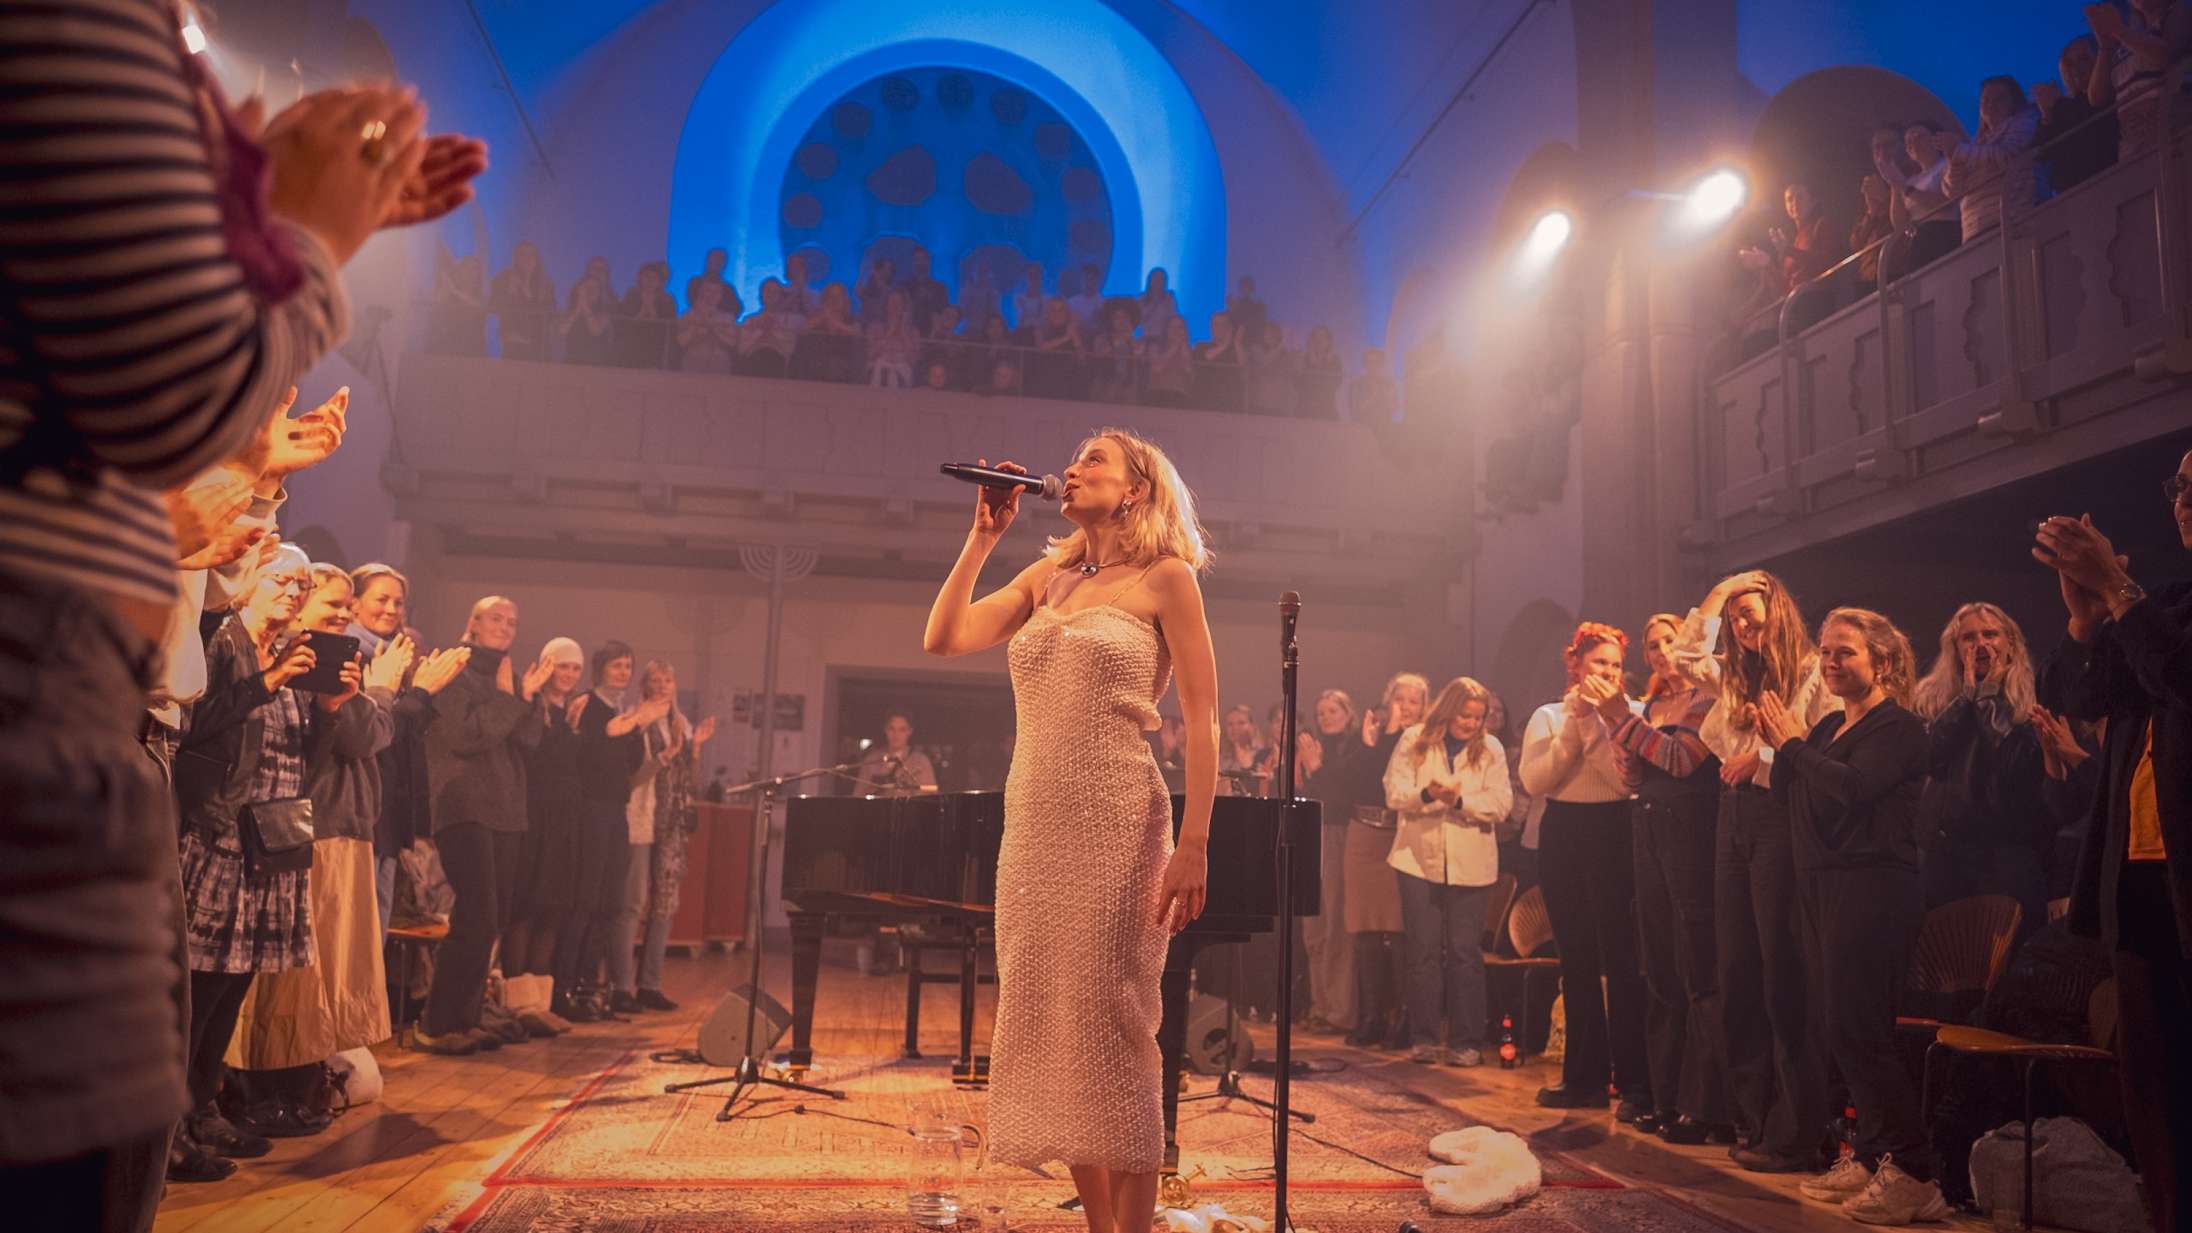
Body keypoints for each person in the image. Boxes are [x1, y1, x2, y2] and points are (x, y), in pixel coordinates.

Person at [922, 430, 1217, 1233]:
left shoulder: (1167, 578)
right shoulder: (1045, 574)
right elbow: (944, 637)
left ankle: (1135, 1226)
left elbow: (1204, 716)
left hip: (1120, 819)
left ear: (1136, 490)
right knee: (1052, 1025)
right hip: (1035, 823)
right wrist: (982, 537)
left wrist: (1193, 843)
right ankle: (1100, 1227)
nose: (1075, 466)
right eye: (1076, 457)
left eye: (1096, 458)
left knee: (1112, 1024)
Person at [2036, 449, 2192, 1233]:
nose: (2186, 498)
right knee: (2154, 1086)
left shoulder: (2155, 611)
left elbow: (2179, 674)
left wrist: (2120, 593)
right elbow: (2086, 693)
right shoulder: (2167, 600)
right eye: (2180, 486)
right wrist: (2085, 614)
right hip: (2141, 878)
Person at [1756, 609, 1945, 1224]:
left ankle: (1915, 1172)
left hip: (1872, 886)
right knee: (1837, 1029)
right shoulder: (1829, 726)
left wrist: (1790, 743)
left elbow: (1853, 790)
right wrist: (1787, 744)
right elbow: (1792, 792)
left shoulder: (1900, 728)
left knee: (1861, 1030)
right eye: (1826, 652)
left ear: (1882, 663)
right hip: (1820, 886)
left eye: (1845, 653)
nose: (1831, 663)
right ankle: (1870, 1153)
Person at [1674, 569, 1836, 1172]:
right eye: (1736, 617)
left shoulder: (1815, 672)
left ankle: (1797, 1129)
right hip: (1732, 816)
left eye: (1751, 613)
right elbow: (1688, 655)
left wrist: (1762, 762)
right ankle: (1754, 1119)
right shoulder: (1735, 673)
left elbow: (1822, 752)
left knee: (1781, 970)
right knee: (1735, 967)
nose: (1742, 625)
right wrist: (1718, 591)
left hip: (1779, 814)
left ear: (1779, 613)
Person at [172, 547, 324, 1176]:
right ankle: (170, 1126)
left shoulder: (294, 651)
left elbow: (308, 755)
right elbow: (192, 721)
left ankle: (203, 1111)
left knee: (233, 989)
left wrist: (333, 711)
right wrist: (268, 681)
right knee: (196, 991)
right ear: (250, 582)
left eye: (303, 585)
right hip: (219, 836)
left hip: (272, 843)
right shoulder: (223, 641)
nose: (293, 593)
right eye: (284, 580)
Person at [1606, 614, 1732, 1144]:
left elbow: (1681, 760)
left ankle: (1702, 1105)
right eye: (1653, 644)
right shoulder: (1654, 706)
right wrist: (1626, 740)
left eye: (1669, 641)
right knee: (1658, 967)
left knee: (1697, 966)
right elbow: (1633, 777)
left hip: (1691, 832)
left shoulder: (1709, 699)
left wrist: (1622, 721)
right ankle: (1663, 1097)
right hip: (1649, 828)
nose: (1660, 652)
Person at [1520, 623, 1650, 1117]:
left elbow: (1621, 785)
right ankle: (1583, 1079)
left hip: (1615, 829)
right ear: (1574, 664)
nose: (1608, 673)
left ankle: (1634, 1083)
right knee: (1575, 958)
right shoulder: (1549, 716)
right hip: (1565, 831)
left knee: (1620, 958)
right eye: (1599, 663)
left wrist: (1601, 724)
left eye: (1616, 666)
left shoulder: (1633, 714)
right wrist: (1576, 726)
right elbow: (1537, 779)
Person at [416, 597, 552, 1054]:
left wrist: (524, 697)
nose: (506, 626)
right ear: (471, 623)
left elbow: (531, 741)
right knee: (474, 917)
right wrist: (508, 696)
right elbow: (466, 735)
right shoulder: (454, 666)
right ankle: (436, 1024)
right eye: (496, 618)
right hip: (464, 805)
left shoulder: (504, 678)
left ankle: (466, 1018)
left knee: (490, 920)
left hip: (506, 809)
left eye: (513, 621)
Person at [1384, 677, 1512, 1065]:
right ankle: (1423, 1037)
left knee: (1463, 952)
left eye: (1477, 717)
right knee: (1422, 951)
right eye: (1464, 715)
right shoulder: (1414, 740)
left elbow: (1501, 803)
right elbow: (1394, 792)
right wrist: (1427, 795)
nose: (1470, 724)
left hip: (1470, 864)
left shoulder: (1491, 749)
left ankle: (1466, 1041)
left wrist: (1459, 801)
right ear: (1447, 709)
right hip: (1417, 859)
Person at [1910, 603, 2051, 929]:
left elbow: (2015, 768)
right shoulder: (1932, 698)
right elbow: (1928, 758)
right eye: (1969, 637)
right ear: (1955, 648)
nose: (1980, 644)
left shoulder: (2035, 696)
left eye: (1991, 634)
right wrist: (1968, 697)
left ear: (2010, 643)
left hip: (2005, 855)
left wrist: (1987, 697)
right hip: (1944, 856)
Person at [573, 641, 663, 1018]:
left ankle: (599, 990)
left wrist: (633, 729)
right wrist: (621, 729)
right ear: (600, 670)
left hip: (616, 812)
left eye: (628, 666)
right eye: (616, 666)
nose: (624, 672)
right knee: (589, 902)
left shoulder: (620, 711)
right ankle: (578, 988)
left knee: (612, 902)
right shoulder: (589, 707)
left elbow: (628, 766)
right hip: (591, 812)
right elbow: (588, 757)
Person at [621, 661, 715, 1012]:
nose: (662, 686)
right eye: (655, 681)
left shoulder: (682, 723)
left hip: (672, 822)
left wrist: (696, 748)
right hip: (643, 818)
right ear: (644, 687)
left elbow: (691, 781)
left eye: (668, 680)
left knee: (665, 904)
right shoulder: (637, 718)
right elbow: (634, 773)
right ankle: (619, 985)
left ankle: (650, 984)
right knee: (634, 900)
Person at [1344, 673, 1429, 1047]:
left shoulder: (1426, 742)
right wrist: (1371, 742)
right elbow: (1360, 782)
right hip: (1363, 837)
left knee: (1397, 931)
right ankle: (1371, 1016)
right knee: (1364, 930)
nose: (1405, 707)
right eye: (1399, 699)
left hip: (1400, 835)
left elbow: (1391, 784)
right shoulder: (1369, 739)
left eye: (1413, 701)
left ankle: (1402, 1017)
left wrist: (1391, 736)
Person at [509, 637, 590, 1018]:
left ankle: (540, 1004)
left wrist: (573, 726)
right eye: (562, 666)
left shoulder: (573, 711)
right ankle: (517, 1003)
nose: (569, 674)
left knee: (554, 909)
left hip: (566, 823)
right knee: (526, 907)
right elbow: (531, 754)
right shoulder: (532, 706)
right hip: (535, 818)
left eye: (575, 668)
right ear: (546, 667)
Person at [1298, 689, 1358, 1034]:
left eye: (1333, 710)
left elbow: (1339, 796)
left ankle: (1339, 1010)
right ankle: (1320, 1005)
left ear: (1348, 714)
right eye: (1320, 713)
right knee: (1313, 927)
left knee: (1336, 925)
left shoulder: (1353, 750)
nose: (1325, 718)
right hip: (1313, 833)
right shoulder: (1314, 748)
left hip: (1339, 835)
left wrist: (1316, 768)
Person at [2086, 0, 2192, 162]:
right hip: (2133, 153)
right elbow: (2096, 97)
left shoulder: (2182, 9)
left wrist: (2118, 30)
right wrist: (2104, 46)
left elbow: (2168, 55)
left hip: (2176, 142)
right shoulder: (2128, 36)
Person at [1940, 77, 2039, 243]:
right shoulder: (1974, 144)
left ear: (2013, 102)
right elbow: (1954, 192)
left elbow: (2007, 156)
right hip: (1975, 230)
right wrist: (1953, 160)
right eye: (1985, 100)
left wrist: (1959, 150)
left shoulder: (2025, 122)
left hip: (2013, 220)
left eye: (1999, 99)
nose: (1991, 104)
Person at [2037, 35, 2120, 195]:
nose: (2076, 68)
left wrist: (2056, 104)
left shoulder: (2110, 91)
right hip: (2070, 195)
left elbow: (2085, 122)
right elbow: (2040, 153)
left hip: (2107, 181)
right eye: (2069, 63)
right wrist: (2046, 114)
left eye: (2083, 59)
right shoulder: (2067, 105)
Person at [491, 241, 557, 361]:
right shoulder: (503, 278)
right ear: (516, 258)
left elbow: (551, 313)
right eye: (523, 254)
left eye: (531, 255)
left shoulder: (545, 284)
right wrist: (510, 292)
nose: (528, 259)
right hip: (513, 341)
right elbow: (493, 306)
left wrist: (527, 288)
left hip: (538, 344)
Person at [855, 712, 940, 794]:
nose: (896, 734)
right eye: (891, 729)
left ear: (910, 731)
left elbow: (930, 796)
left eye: (902, 730)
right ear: (885, 730)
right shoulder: (872, 760)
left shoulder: (921, 762)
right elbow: (858, 795)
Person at [676, 278, 741, 374]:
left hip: (720, 362)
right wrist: (699, 321)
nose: (712, 295)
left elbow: (732, 343)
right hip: (693, 360)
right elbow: (681, 341)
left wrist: (712, 327)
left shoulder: (728, 318)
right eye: (708, 290)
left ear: (721, 295)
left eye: (717, 292)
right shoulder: (687, 315)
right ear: (700, 292)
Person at [1349, 348, 1399, 422]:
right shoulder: (1358, 383)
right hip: (1363, 427)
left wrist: (1389, 398)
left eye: (1376, 362)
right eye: (1368, 362)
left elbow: (1394, 408)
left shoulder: (1389, 384)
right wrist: (1373, 395)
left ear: (1382, 364)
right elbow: (1355, 411)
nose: (1372, 365)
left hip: (1384, 427)